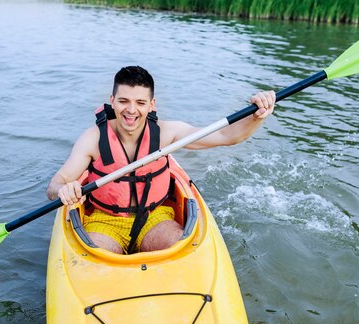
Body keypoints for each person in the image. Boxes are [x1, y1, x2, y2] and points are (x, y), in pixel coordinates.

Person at [47, 66, 275, 254]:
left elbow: (227, 136)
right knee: (95, 257)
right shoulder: (93, 138)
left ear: (152, 104)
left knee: (181, 247)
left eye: (140, 103)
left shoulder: (167, 133)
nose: (131, 110)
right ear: (112, 101)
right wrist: (63, 190)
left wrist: (256, 117)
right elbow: (56, 184)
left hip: (155, 218)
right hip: (105, 221)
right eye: (124, 101)